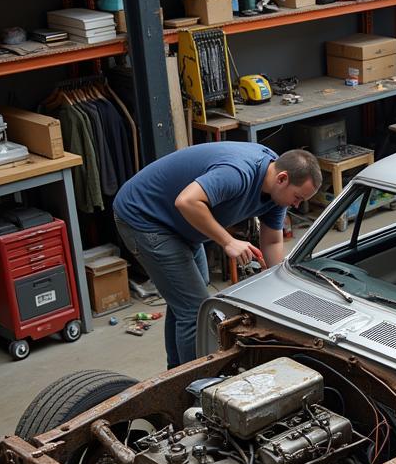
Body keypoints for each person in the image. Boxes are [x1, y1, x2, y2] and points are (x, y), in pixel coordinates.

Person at [114, 144, 320, 368]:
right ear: (282, 178)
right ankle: (193, 388)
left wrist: (280, 285)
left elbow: (271, 240)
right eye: (298, 197)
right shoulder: (238, 172)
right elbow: (187, 201)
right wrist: (228, 241)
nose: (297, 206)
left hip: (180, 223)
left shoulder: (277, 194)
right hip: (146, 218)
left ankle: (174, 372)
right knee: (195, 311)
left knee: (187, 301)